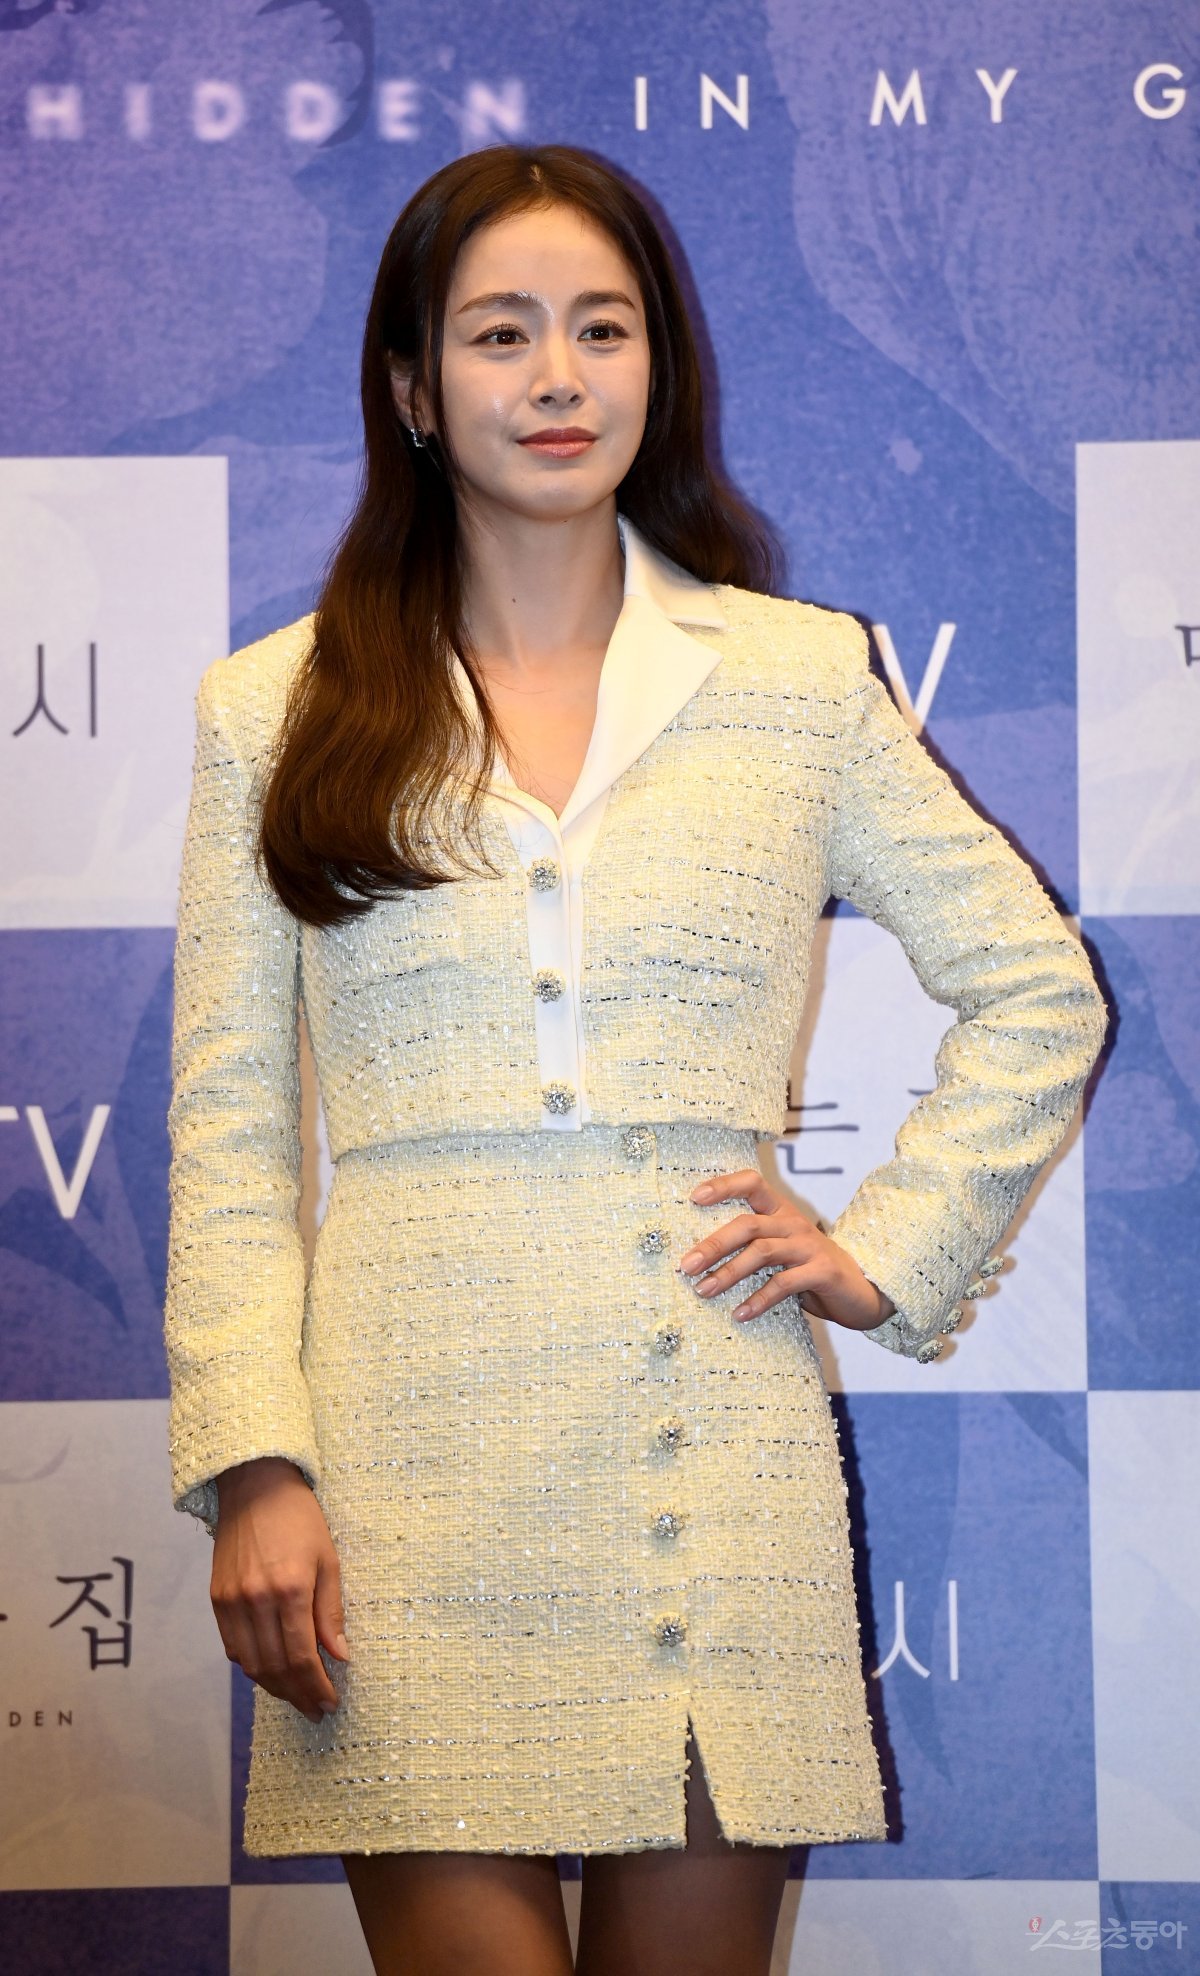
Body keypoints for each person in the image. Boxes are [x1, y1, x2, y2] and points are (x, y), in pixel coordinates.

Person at [163, 144, 1109, 1976]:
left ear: (658, 369)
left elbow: (1037, 990)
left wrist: (890, 1250)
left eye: (603, 329)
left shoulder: (796, 678)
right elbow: (229, 1133)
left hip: (708, 1445)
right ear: (412, 388)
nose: (558, 377)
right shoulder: (271, 708)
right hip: (402, 1471)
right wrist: (254, 1466)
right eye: (500, 333)